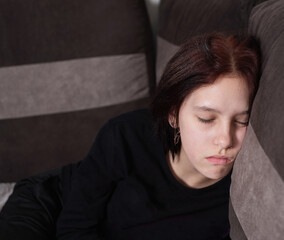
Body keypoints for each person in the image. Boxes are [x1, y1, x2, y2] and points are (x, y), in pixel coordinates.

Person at [0, 32, 260, 240]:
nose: (226, 140)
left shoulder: (241, 197)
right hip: (51, 204)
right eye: (206, 118)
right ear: (173, 115)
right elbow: (74, 227)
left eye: (241, 121)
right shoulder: (125, 136)